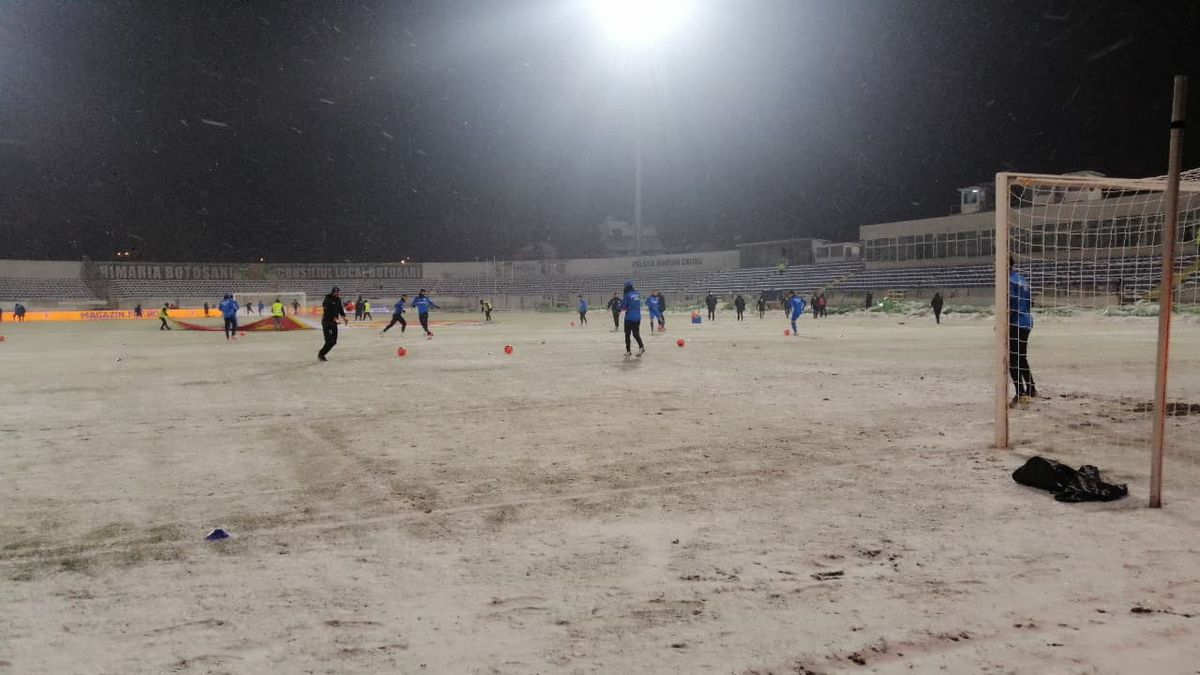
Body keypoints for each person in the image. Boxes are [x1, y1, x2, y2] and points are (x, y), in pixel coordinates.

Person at [1008, 259, 1037, 405]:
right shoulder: (1022, 279)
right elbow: (1031, 301)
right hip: (1027, 321)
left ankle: (1020, 393)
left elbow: (1012, 304)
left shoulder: (1009, 281)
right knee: (1021, 357)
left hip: (1016, 323)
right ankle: (1031, 388)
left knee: (1012, 360)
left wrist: (1004, 322)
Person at [318, 286, 348, 361]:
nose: (338, 294)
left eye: (339, 292)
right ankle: (321, 354)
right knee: (329, 341)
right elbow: (326, 311)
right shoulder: (327, 300)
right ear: (333, 292)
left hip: (334, 323)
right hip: (327, 323)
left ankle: (322, 354)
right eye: (336, 292)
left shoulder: (338, 299)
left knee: (333, 341)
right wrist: (334, 318)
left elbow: (340, 309)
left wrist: (344, 317)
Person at [620, 281, 645, 356]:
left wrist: (619, 308)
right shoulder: (637, 294)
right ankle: (641, 347)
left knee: (627, 334)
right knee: (636, 333)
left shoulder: (627, 295)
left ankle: (628, 351)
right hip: (637, 317)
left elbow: (623, 307)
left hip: (629, 318)